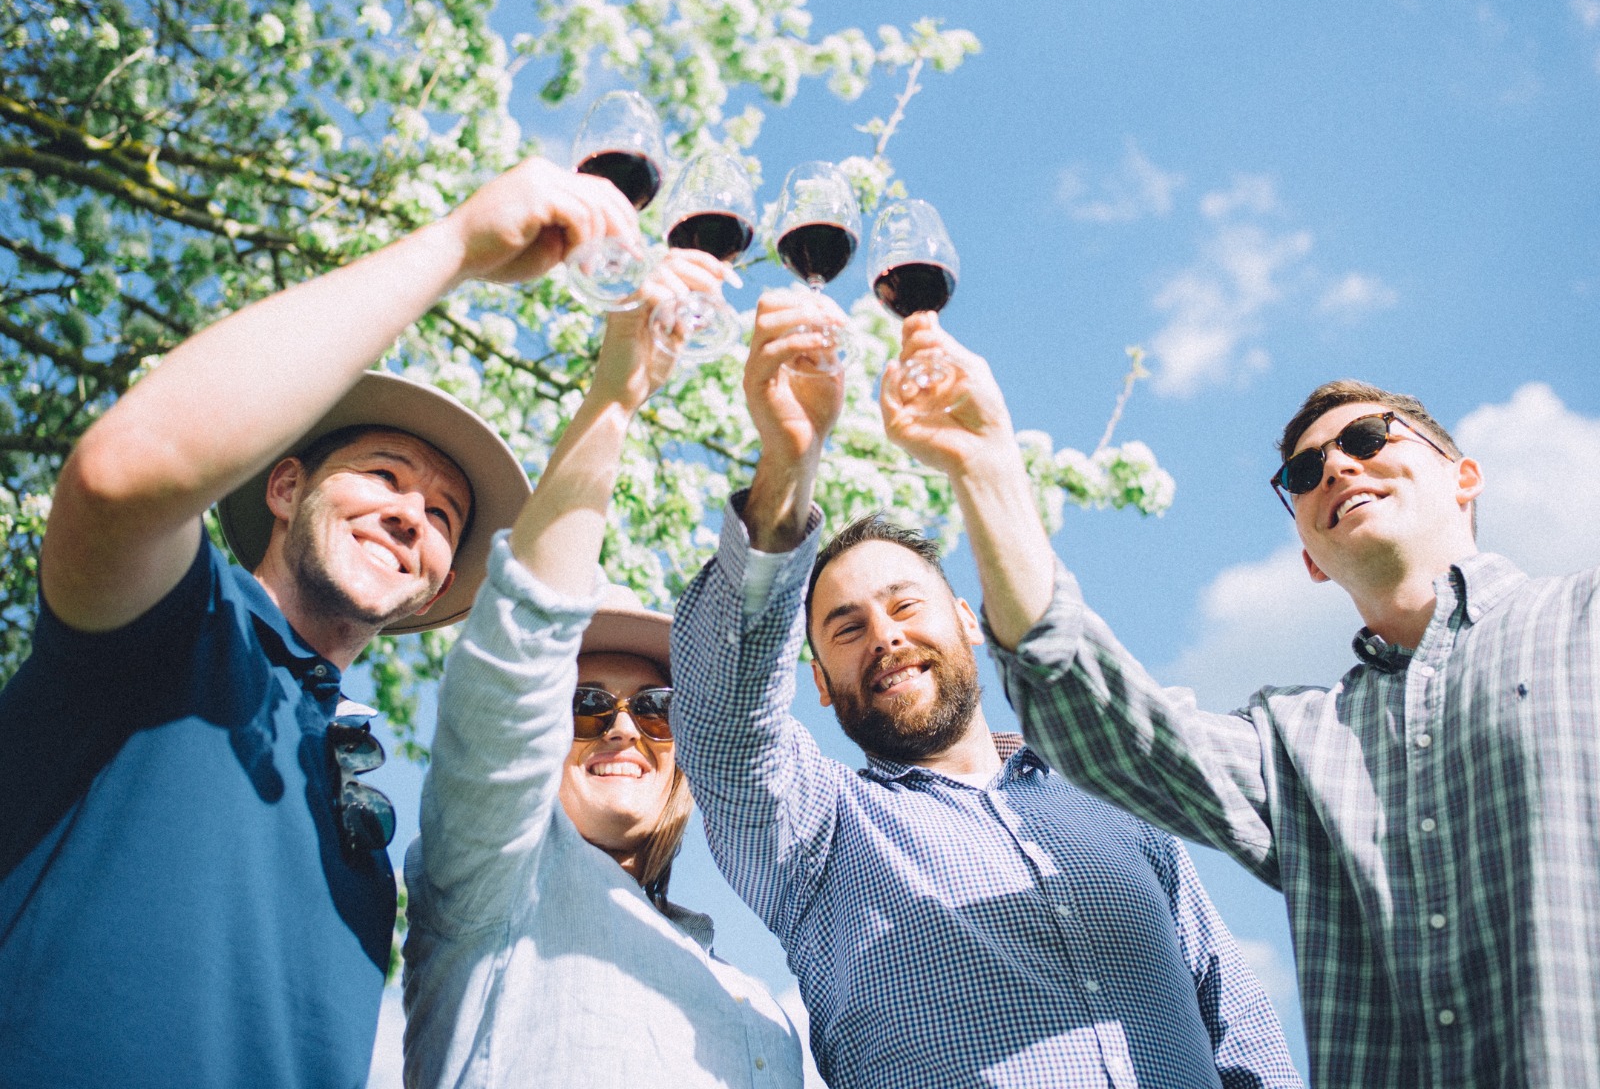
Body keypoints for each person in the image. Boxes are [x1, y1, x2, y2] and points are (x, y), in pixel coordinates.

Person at [0, 156, 641, 1087]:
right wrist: (457, 244)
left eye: (445, 518)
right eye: (384, 475)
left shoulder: (365, 827)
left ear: (429, 592)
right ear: (286, 485)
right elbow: (122, 472)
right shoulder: (178, 632)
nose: (411, 516)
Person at [879, 315, 1600, 1088]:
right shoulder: (1295, 743)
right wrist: (987, 466)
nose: (1334, 469)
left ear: (1463, 477)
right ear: (1310, 560)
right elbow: (1103, 719)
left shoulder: (1582, 621)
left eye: (1366, 439)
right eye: (1303, 473)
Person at [668, 289, 1302, 1089]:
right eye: (847, 628)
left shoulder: (1118, 801)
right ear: (820, 686)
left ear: (967, 621)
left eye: (904, 606)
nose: (886, 636)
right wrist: (787, 464)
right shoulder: (813, 836)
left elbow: (1237, 1022)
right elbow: (722, 715)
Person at [400, 254, 804, 1089]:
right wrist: (615, 401)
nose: (624, 726)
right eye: (586, 704)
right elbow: (519, 649)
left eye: (657, 708)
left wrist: (791, 464)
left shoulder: (757, 1005)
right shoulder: (495, 886)